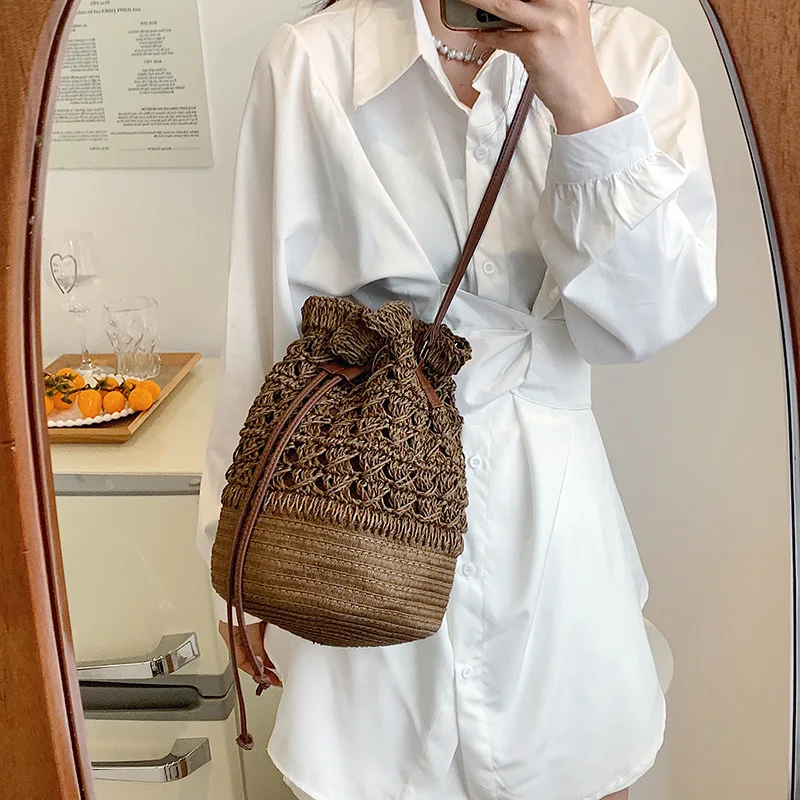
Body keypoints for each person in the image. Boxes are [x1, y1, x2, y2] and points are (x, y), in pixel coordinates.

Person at [196, 0, 718, 797]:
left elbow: (647, 320)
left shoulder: (628, 50)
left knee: (571, 765)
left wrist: (582, 100)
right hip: (350, 517)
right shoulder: (312, 60)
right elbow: (264, 320)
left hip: (555, 542)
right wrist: (230, 554)